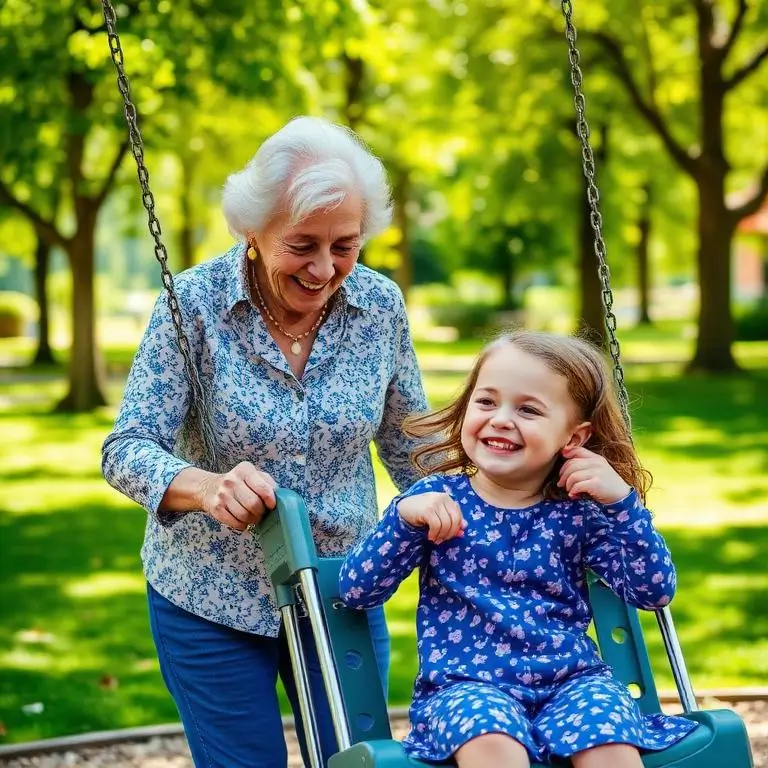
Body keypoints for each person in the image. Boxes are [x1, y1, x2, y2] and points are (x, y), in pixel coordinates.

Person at [101, 116, 428, 768]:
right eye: (302, 244)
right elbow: (127, 446)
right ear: (251, 231)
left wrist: (501, 492)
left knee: (356, 762)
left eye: (346, 244)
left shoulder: (381, 306)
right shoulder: (190, 304)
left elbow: (409, 445)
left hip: (343, 589)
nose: (324, 267)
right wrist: (208, 487)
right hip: (210, 596)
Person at [339, 330, 698, 768]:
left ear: (573, 438)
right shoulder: (437, 501)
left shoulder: (581, 511)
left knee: (608, 739)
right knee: (491, 738)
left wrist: (623, 504)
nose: (501, 419)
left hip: (572, 681)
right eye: (486, 401)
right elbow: (356, 591)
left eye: (528, 409)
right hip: (466, 688)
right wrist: (401, 518)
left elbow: (653, 591)